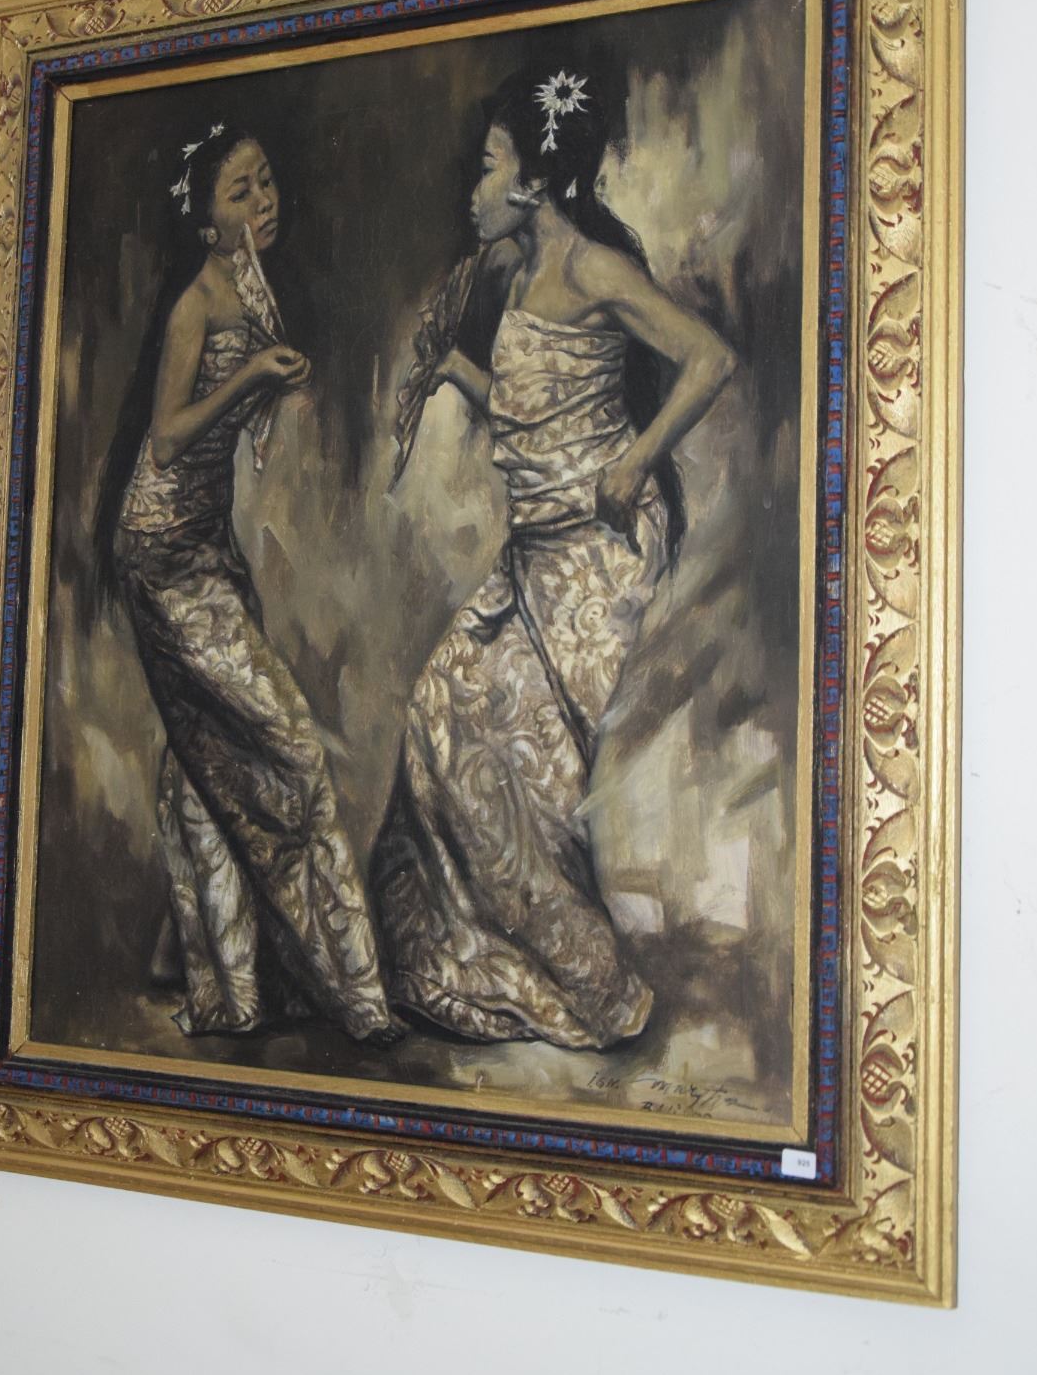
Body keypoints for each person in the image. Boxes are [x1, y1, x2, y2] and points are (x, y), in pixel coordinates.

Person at [371, 67, 736, 1048]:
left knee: (511, 753)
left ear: (534, 181)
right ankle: (461, 956)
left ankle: (597, 986)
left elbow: (711, 358)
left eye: (490, 167)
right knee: (438, 704)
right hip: (534, 550)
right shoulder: (518, 276)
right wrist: (456, 372)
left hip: (598, 553)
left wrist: (638, 458)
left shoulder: (592, 268)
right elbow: (535, 416)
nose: (475, 189)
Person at [93, 121, 395, 1041]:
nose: (264, 202)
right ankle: (353, 993)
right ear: (206, 224)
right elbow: (166, 438)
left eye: (266, 182)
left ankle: (232, 987)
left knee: (204, 764)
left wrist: (269, 373)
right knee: (288, 744)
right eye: (241, 193)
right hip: (159, 552)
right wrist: (254, 374)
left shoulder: (252, 281)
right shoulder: (197, 302)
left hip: (205, 542)